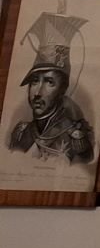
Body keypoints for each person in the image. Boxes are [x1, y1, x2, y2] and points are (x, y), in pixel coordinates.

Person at [7, 15, 95, 166]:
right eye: (35, 81)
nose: (37, 93)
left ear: (62, 89)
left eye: (49, 82)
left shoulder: (77, 141)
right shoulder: (20, 133)